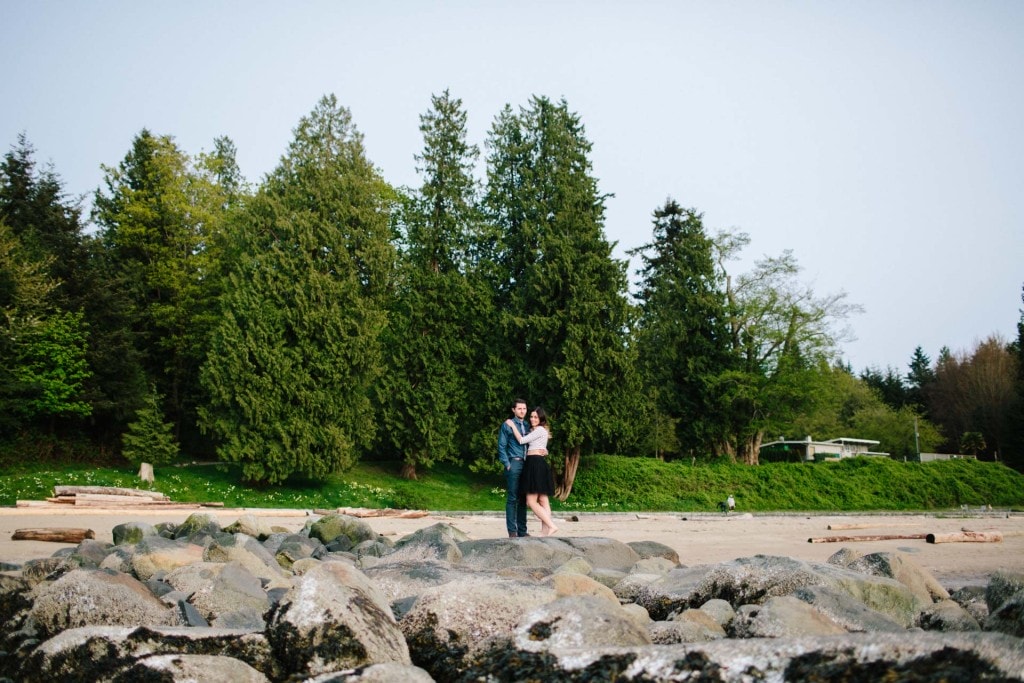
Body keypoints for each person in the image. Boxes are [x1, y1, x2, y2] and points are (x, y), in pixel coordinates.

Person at [505, 406, 558, 536]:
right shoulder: (538, 430)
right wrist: (545, 450)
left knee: (531, 501)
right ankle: (545, 532)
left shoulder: (539, 430)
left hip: (535, 464)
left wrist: (512, 425)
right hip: (536, 463)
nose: (533, 419)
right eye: (532, 416)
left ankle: (551, 526)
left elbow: (522, 440)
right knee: (543, 500)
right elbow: (539, 444)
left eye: (536, 417)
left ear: (541, 418)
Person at [498, 398, 530, 538]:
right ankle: (512, 531)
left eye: (524, 409)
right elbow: (501, 446)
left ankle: (522, 531)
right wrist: (507, 464)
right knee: (512, 498)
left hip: (526, 464)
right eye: (519, 408)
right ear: (513, 410)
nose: (522, 411)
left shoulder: (528, 425)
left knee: (523, 498)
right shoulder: (507, 425)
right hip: (514, 463)